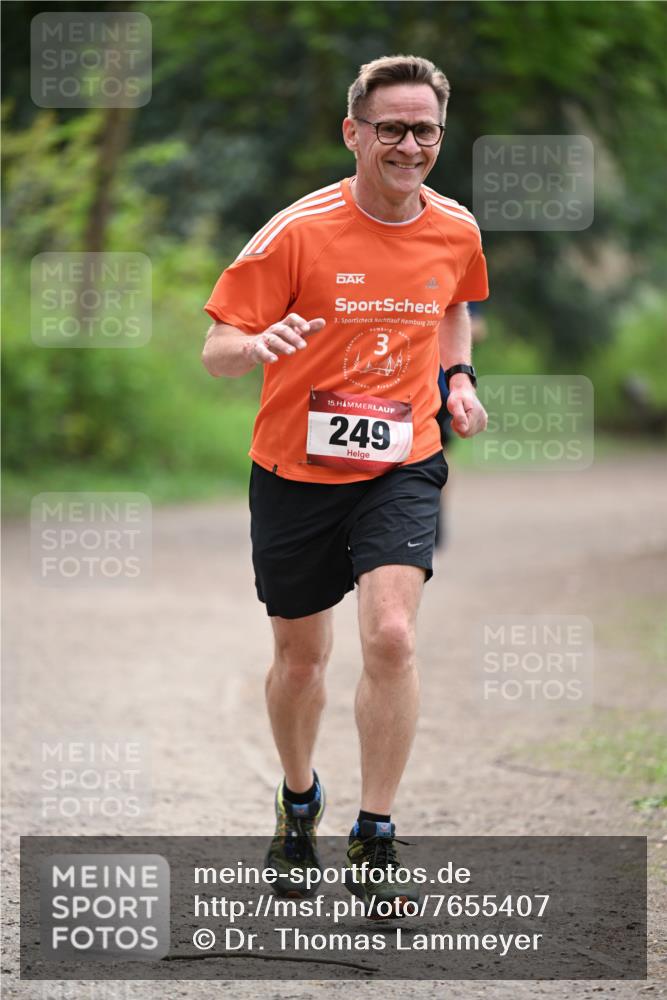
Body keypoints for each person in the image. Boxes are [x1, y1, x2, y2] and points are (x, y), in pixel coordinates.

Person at [202, 54, 489, 917]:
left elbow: (451, 305)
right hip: (295, 469)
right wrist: (254, 348)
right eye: (391, 128)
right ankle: (299, 805)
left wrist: (460, 380)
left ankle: (376, 832)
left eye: (424, 129)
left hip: (402, 461)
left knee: (393, 636)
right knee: (301, 659)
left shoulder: (455, 227)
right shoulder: (296, 231)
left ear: (441, 134)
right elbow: (216, 347)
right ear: (353, 132)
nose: (409, 145)